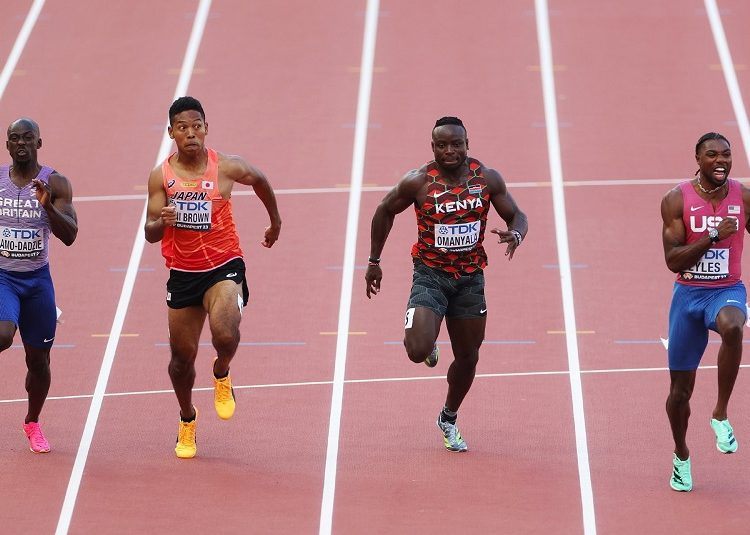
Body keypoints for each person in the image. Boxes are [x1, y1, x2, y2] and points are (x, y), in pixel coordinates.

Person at [365, 116, 528, 452]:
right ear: (433, 147)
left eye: (456, 144)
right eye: (442, 145)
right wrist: (374, 261)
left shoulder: (486, 178)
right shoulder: (419, 181)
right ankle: (428, 336)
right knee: (417, 350)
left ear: (467, 144)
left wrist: (516, 233)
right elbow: (384, 210)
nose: (450, 150)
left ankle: (448, 417)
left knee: (468, 357)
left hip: (470, 278)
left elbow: (517, 215)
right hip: (430, 274)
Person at [144, 96, 281, 459]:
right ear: (171, 132)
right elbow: (149, 231)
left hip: (224, 265)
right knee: (180, 361)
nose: (191, 133)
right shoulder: (162, 176)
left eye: (197, 125)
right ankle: (187, 418)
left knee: (225, 333)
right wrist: (163, 222)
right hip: (184, 273)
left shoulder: (226, 167)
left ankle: (222, 372)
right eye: (182, 127)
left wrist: (275, 222)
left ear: (206, 128)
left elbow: (261, 180)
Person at [661, 132, 750, 491]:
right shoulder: (675, 200)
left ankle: (721, 414)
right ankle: (681, 456)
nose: (721, 161)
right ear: (698, 159)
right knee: (679, 394)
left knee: (733, 327)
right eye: (712, 155)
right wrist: (712, 238)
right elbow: (672, 260)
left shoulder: (743, 197)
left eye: (726, 155)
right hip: (688, 297)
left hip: (726, 290)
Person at [0, 118, 78, 453]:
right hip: (3, 277)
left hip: (37, 282)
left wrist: (48, 208)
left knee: (39, 361)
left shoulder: (55, 182)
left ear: (38, 144)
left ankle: (32, 422)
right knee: (3, 334)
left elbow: (71, 235)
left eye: (27, 138)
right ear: (7, 146)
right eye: (14, 139)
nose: (21, 144)